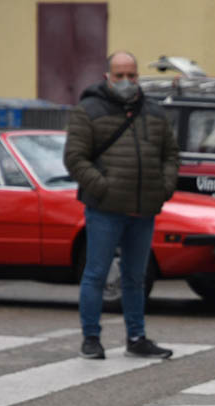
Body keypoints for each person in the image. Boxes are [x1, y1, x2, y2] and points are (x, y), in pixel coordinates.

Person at [63, 51, 177, 360]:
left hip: (143, 208)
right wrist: (104, 188)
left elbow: (170, 155)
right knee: (96, 274)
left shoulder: (153, 112)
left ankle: (136, 337)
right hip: (105, 209)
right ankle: (91, 338)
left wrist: (164, 188)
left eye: (132, 75)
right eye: (120, 75)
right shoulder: (88, 110)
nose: (126, 82)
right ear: (107, 77)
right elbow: (75, 158)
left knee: (135, 277)